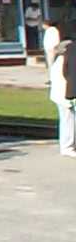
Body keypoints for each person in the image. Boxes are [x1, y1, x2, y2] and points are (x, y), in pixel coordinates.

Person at [48, 25, 76, 158]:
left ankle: (68, 145)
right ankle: (67, 146)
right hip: (64, 94)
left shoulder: (59, 60)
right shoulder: (64, 60)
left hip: (63, 93)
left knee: (67, 120)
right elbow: (65, 77)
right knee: (67, 120)